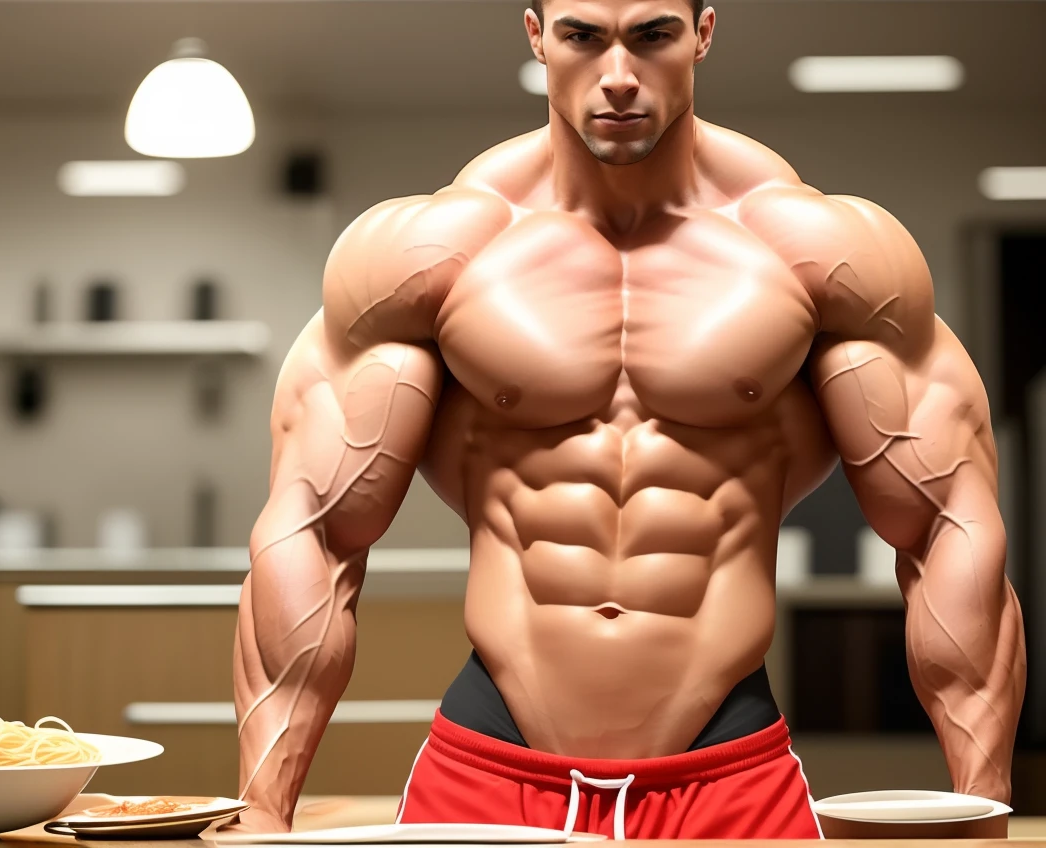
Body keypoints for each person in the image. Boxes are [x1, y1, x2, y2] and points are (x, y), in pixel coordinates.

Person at [227, 0, 1026, 840]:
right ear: (534, 33)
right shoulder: (428, 256)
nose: (617, 77)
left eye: (652, 35)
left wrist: (983, 812)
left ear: (704, 33)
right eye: (582, 36)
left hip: (730, 770)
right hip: (490, 765)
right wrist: (261, 810)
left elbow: (948, 527)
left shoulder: (822, 253)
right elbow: (312, 528)